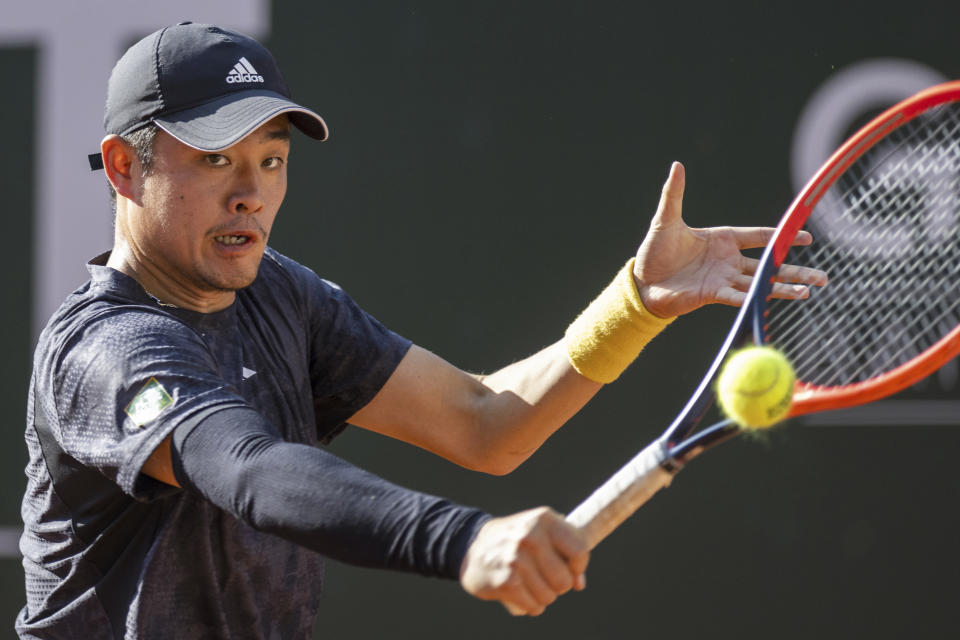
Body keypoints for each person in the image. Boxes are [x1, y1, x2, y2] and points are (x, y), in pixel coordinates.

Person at [17, 22, 826, 640]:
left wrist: (635, 304)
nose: (252, 195)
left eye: (270, 160)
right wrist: (465, 542)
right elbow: (253, 472)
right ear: (125, 167)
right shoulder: (105, 348)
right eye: (215, 160)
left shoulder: (282, 298)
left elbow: (486, 425)